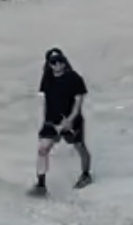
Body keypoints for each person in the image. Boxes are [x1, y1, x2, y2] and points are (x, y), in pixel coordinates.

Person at [32, 47, 90, 196]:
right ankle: (41, 184)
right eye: (53, 62)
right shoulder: (47, 78)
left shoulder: (74, 78)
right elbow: (45, 101)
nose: (57, 65)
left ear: (65, 62)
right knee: (43, 149)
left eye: (60, 61)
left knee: (79, 146)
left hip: (71, 121)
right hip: (51, 121)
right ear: (49, 64)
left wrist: (70, 120)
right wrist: (45, 123)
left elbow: (78, 103)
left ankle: (85, 174)